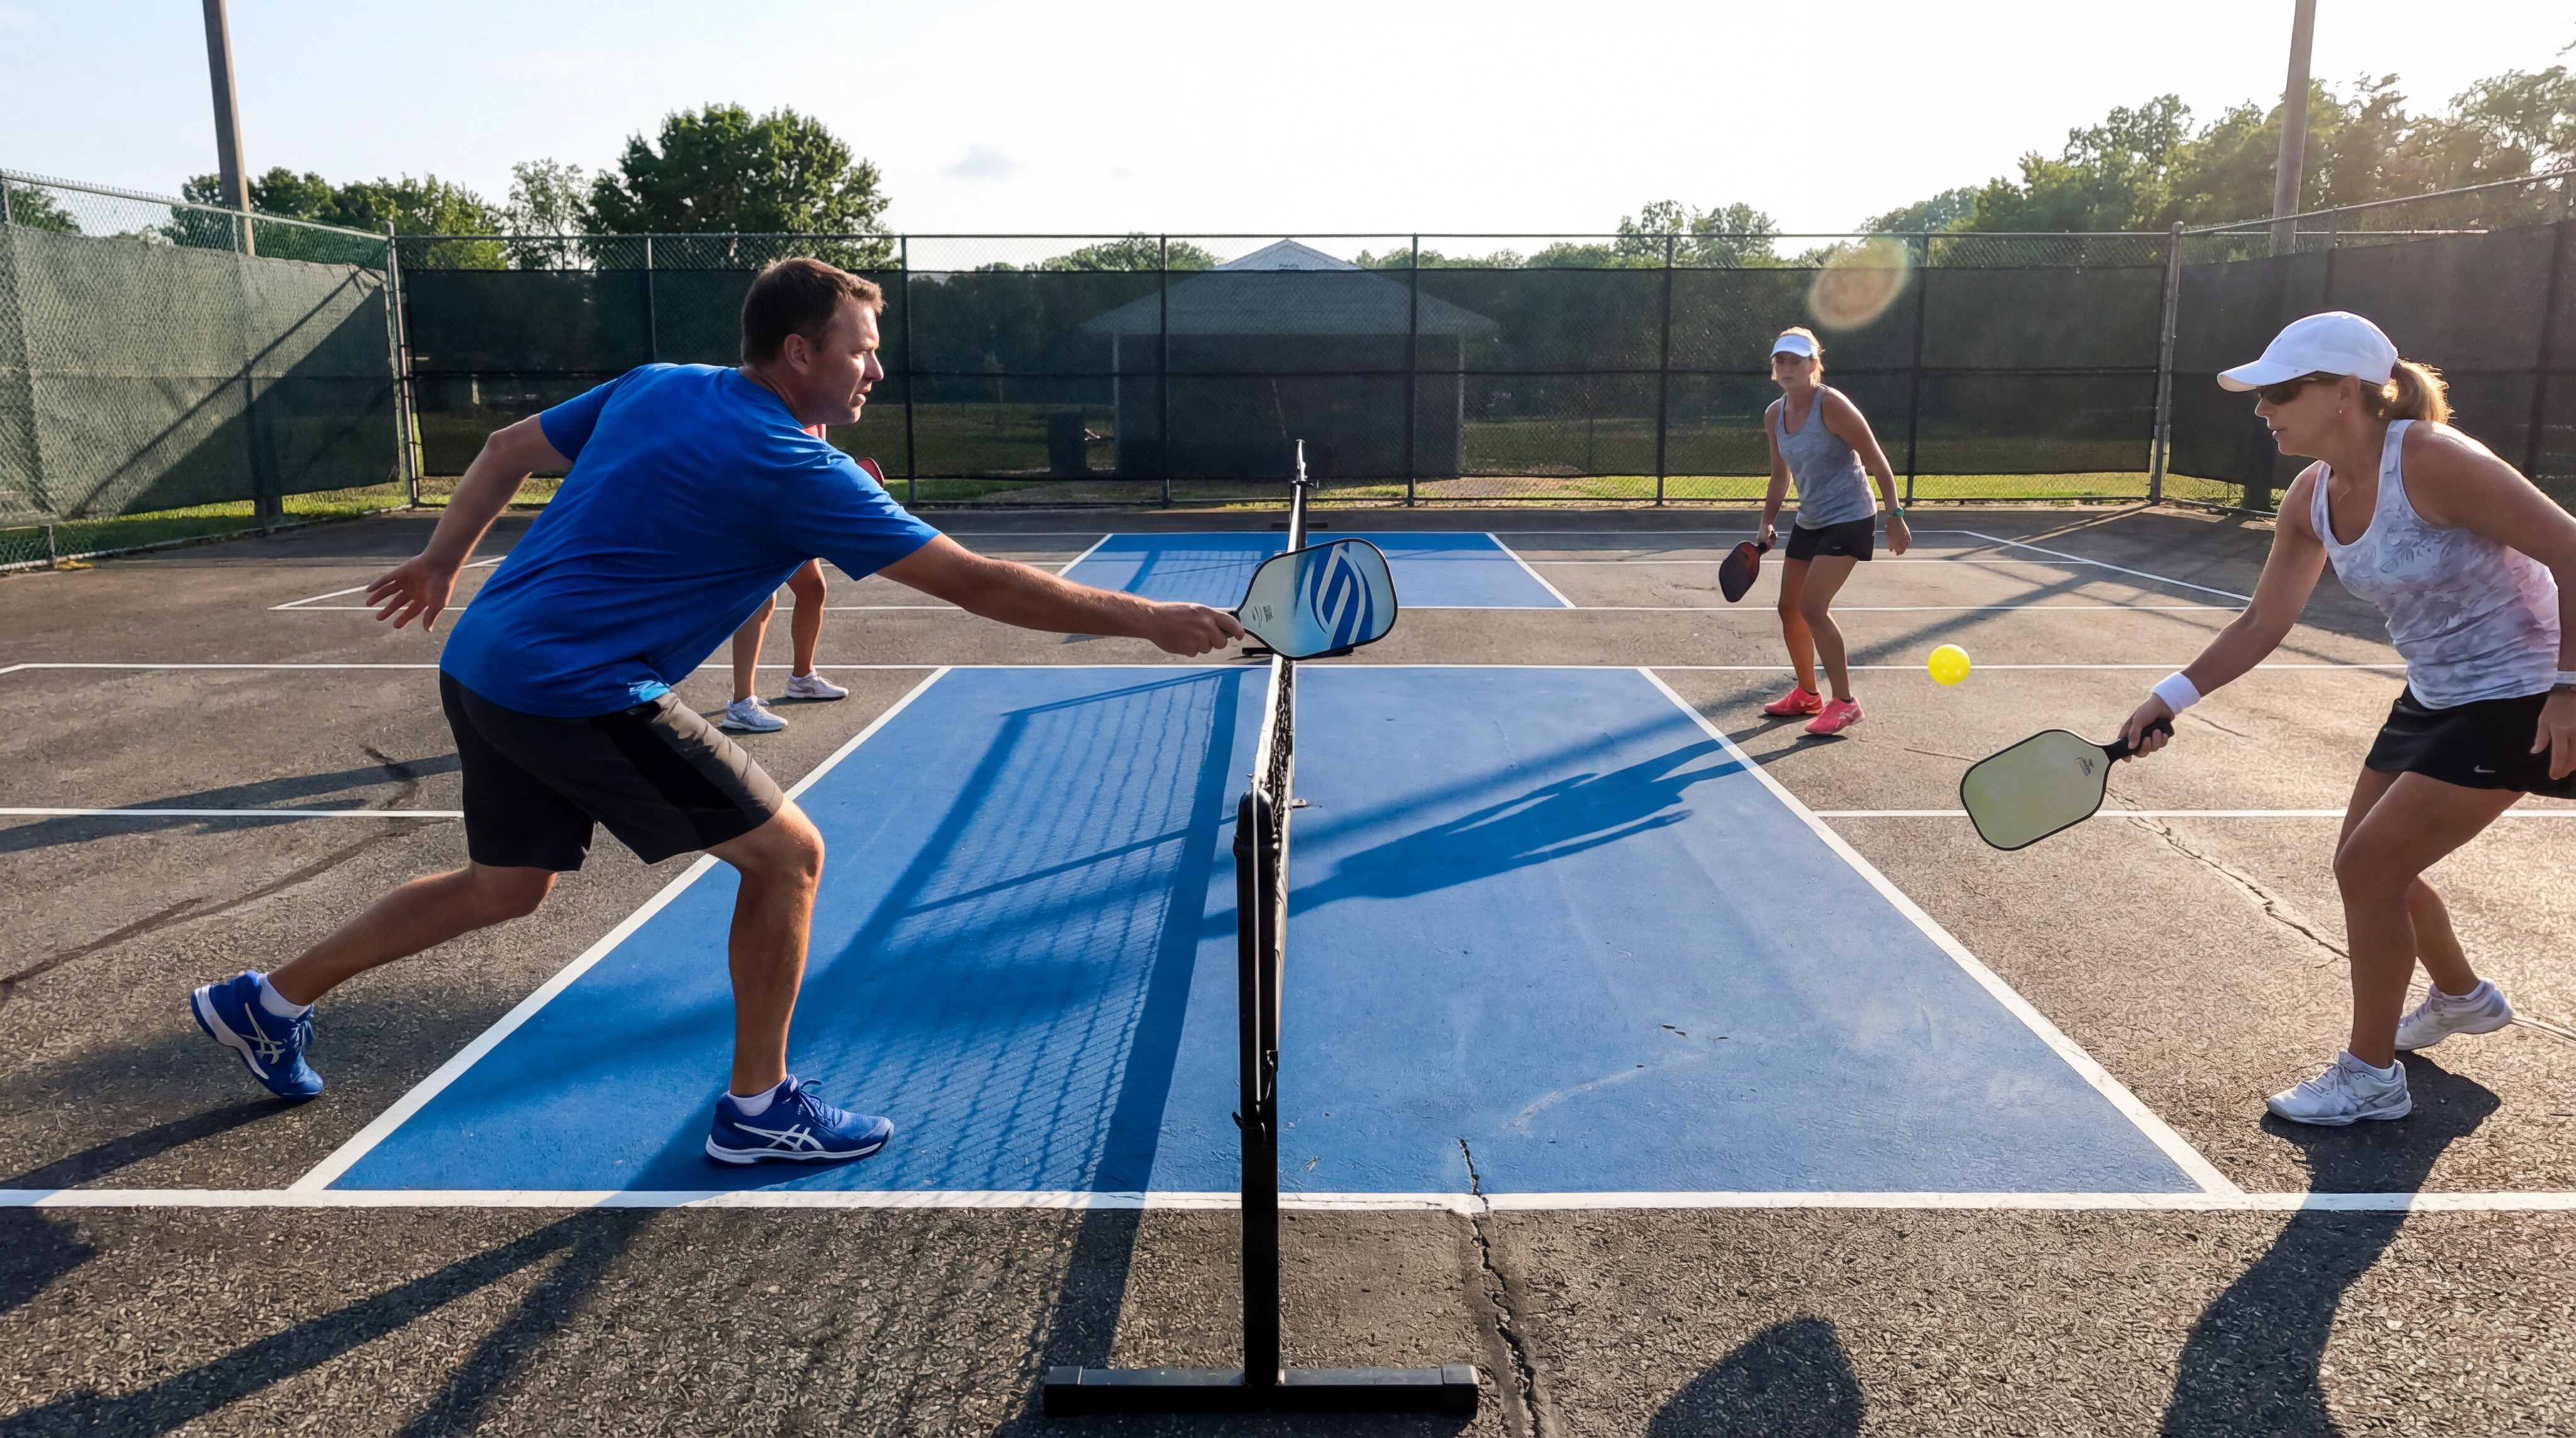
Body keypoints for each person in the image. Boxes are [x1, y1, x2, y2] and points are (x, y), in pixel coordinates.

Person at [187, 257, 1244, 1165]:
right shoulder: (793, 464)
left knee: (506, 886)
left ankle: (264, 1003)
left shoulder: (661, 384)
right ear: (799, 352)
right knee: (788, 857)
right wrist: (1146, 616)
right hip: (571, 687)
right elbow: (980, 584)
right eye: (861, 349)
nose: (875, 368)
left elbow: (509, 446)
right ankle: (758, 1112)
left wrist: (439, 561)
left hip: (485, 661)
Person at [2118, 310, 2576, 1127]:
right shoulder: (2311, 496)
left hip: (2519, 689)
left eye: (2283, 391)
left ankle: (2370, 1076)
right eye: (2262, 393)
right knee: (2366, 865)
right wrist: (2171, 697)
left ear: (2348, 394)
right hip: (2434, 691)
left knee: (2369, 869)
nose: (2264, 409)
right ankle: (2462, 996)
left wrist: (2570, 687)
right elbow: (2263, 622)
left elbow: (2571, 548)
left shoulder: (2432, 460)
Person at [1753, 328, 1912, 736]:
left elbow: (1876, 459)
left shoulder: (1833, 406)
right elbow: (1779, 475)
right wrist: (1766, 521)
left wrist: (1894, 515)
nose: (1787, 368)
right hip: (1811, 518)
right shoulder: (1775, 414)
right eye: (1781, 361)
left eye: (1796, 361)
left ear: (1813, 365)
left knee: (1812, 607)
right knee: (1788, 607)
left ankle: (1845, 704)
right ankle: (1808, 694)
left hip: (1851, 517)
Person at [723, 558, 840, 733]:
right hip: (755, 532)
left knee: (812, 587)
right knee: (762, 597)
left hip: (789, 530)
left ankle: (802, 679)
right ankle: (741, 705)